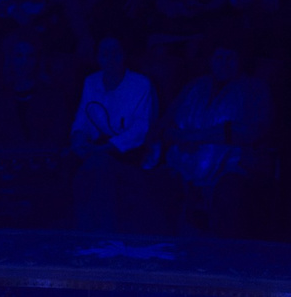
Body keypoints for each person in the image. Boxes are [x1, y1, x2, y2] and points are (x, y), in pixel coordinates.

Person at [166, 45, 263, 233]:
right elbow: (165, 127)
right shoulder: (194, 86)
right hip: (183, 167)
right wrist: (179, 136)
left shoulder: (255, 88)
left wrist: (196, 136)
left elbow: (254, 131)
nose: (224, 64)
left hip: (229, 169)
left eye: (230, 57)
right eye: (219, 57)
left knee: (230, 192)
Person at [71, 35, 156, 229]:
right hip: (96, 150)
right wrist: (79, 139)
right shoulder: (91, 82)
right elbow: (83, 119)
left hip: (128, 155)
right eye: (105, 54)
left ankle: (104, 235)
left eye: (115, 53)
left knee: (98, 165)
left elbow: (139, 130)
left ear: (123, 54)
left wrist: (101, 150)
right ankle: (87, 233)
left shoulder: (141, 84)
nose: (111, 59)